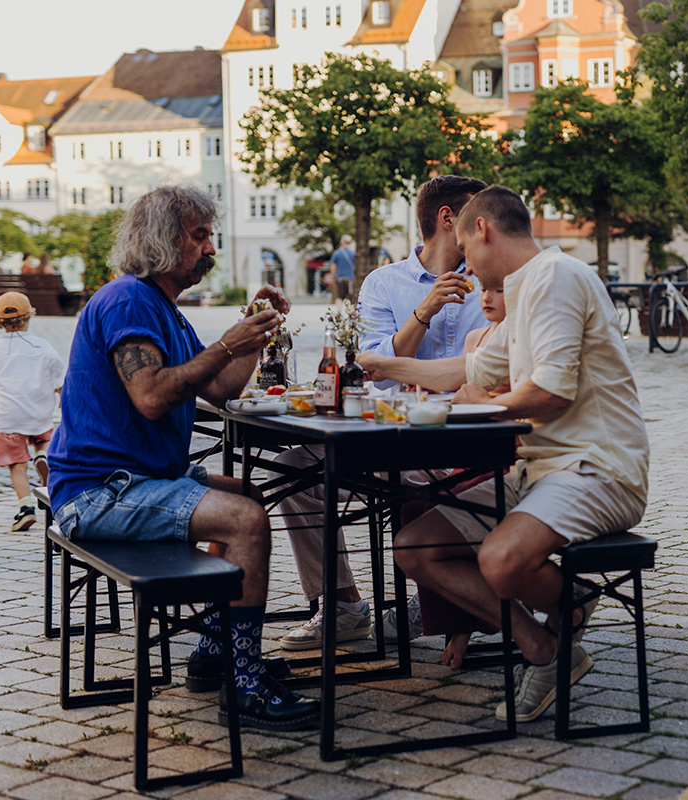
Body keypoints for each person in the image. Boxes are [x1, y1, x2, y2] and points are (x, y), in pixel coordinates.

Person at [358, 185, 650, 722]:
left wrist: (454, 415)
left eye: (465, 251)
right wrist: (382, 365)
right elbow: (466, 373)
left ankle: (567, 610)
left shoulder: (555, 277)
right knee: (415, 548)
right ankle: (547, 646)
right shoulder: (523, 289)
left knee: (498, 559)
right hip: (540, 470)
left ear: (483, 231)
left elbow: (550, 391)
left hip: (598, 467)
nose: (465, 267)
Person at [45, 185, 320, 731]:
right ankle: (243, 684)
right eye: (200, 236)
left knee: (246, 494)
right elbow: (150, 395)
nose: (211, 248)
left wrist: (254, 333)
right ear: (166, 240)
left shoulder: (164, 309)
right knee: (244, 520)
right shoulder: (128, 299)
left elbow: (220, 390)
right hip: (99, 492)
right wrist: (225, 345)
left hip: (135, 480)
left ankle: (214, 651)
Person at [275, 174, 489, 651]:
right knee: (293, 469)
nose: (486, 226)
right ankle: (344, 604)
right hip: (389, 439)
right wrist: (424, 310)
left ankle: (443, 597)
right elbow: (374, 370)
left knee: (443, 489)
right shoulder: (384, 283)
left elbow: (491, 370)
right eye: (478, 216)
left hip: (465, 443)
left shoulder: (493, 280)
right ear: (447, 219)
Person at [0, 292, 64, 531]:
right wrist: (63, 397)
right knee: (43, 440)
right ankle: (42, 456)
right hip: (38, 413)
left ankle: (25, 509)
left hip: (7, 417)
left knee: (17, 464)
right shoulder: (42, 346)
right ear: (29, 316)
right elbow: (62, 379)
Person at [328, 235, 356, 303]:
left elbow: (333, 266)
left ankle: (339, 311)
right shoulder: (353, 253)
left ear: (342, 242)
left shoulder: (336, 253)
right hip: (350, 277)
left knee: (339, 296)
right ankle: (351, 312)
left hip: (339, 277)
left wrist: (332, 277)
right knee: (350, 296)